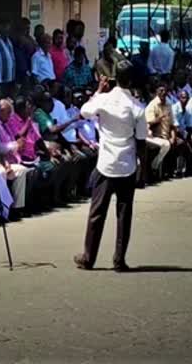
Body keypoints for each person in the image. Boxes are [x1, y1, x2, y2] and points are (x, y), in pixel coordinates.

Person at [74, 61, 148, 272]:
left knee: (97, 213)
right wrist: (143, 171)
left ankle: (88, 257)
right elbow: (141, 142)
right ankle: (119, 260)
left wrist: (98, 92)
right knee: (124, 215)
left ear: (115, 77)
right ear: (132, 81)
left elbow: (85, 111)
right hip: (127, 165)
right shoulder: (137, 107)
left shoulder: (104, 100)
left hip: (106, 164)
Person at [145, 84, 181, 179]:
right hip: (155, 136)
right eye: (161, 90)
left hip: (167, 135)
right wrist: (159, 119)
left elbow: (173, 124)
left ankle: (171, 171)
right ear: (157, 92)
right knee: (166, 145)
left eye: (165, 91)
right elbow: (149, 123)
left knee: (179, 143)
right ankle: (154, 167)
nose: (163, 93)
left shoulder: (169, 105)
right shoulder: (152, 105)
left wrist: (173, 137)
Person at [0, 19, 16, 85]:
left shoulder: (8, 40)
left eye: (9, 27)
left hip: (10, 78)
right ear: (0, 27)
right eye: (6, 27)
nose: (8, 29)